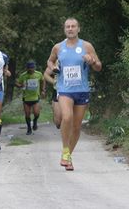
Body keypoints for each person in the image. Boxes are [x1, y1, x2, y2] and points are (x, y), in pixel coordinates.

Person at [47, 17, 102, 171]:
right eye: (67, 27)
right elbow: (50, 61)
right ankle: (65, 150)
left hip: (82, 90)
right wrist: (53, 67)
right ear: (64, 30)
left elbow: (99, 66)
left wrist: (92, 61)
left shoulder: (86, 46)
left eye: (73, 26)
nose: (70, 29)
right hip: (65, 90)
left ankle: (68, 156)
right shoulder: (58, 47)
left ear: (79, 29)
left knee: (77, 127)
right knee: (67, 117)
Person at [15, 60, 46, 135]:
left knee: (36, 113)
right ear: (27, 68)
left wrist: (43, 90)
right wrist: (20, 85)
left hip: (35, 97)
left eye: (32, 68)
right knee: (27, 114)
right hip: (26, 98)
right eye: (29, 68)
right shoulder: (23, 75)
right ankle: (29, 129)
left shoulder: (38, 74)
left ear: (34, 67)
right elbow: (18, 83)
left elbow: (43, 81)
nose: (31, 69)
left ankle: (35, 121)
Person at [43, 60, 62, 129]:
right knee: (58, 123)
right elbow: (46, 74)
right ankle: (56, 113)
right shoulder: (58, 60)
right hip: (58, 90)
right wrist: (54, 82)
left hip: (73, 90)